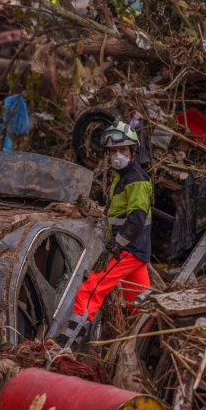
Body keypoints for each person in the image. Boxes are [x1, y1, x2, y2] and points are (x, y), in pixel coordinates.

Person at [51, 121, 152, 350]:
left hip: (128, 249)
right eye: (113, 151)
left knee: (90, 291)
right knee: (140, 304)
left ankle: (65, 347)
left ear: (132, 151)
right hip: (136, 250)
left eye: (122, 150)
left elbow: (136, 219)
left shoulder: (136, 180)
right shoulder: (121, 176)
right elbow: (117, 213)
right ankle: (148, 346)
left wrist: (115, 247)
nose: (117, 156)